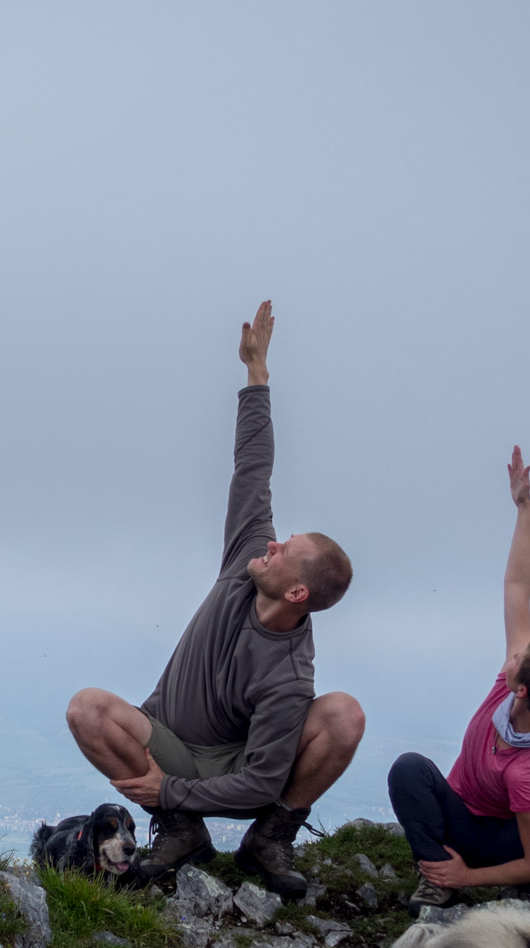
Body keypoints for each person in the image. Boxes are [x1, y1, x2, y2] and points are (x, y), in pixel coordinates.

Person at [64, 301, 365, 901]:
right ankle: (181, 836)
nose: (272, 544)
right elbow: (253, 470)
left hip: (233, 770)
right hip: (170, 738)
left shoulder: (289, 675)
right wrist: (258, 375)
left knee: (344, 717)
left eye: (286, 550)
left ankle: (269, 841)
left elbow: (259, 781)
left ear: (298, 593)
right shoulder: (246, 561)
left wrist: (169, 791)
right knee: (87, 710)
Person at [389, 446, 530, 916]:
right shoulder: (523, 687)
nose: (513, 654)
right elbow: (517, 587)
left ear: (521, 688)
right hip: (461, 821)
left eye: (518, 660)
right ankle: (436, 876)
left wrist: (470, 877)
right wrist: (525, 508)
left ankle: (521, 897)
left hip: (511, 843)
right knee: (409, 769)